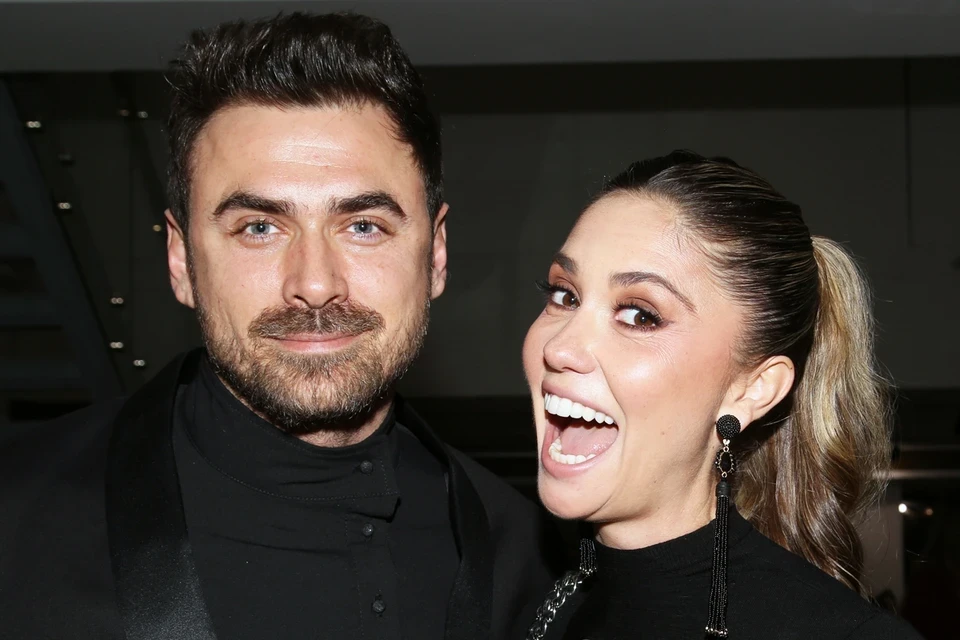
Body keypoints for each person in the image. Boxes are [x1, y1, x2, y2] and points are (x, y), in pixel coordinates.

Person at [0, 12, 559, 640]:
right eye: (259, 228)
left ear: (435, 255)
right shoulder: (16, 513)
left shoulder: (526, 561)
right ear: (181, 261)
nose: (315, 284)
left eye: (363, 226)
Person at [521, 151, 924, 639]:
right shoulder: (528, 602)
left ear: (753, 389)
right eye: (565, 295)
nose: (560, 347)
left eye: (640, 315)